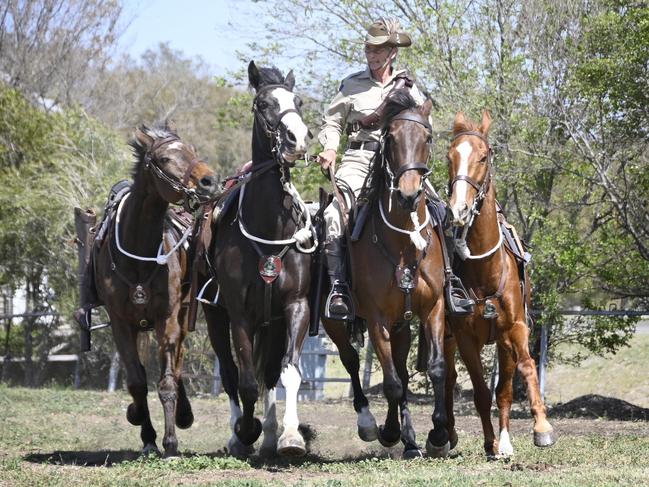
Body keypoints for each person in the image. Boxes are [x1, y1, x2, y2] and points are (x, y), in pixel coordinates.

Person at [317, 18, 474, 320]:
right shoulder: (351, 85)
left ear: (392, 53)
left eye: (380, 50)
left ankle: (451, 280)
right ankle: (338, 287)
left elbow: (420, 125)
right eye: (369, 49)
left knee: (441, 210)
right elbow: (332, 121)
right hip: (361, 159)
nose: (372, 55)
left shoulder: (409, 87)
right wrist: (330, 146)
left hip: (398, 162)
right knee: (333, 214)